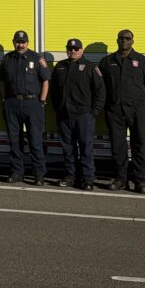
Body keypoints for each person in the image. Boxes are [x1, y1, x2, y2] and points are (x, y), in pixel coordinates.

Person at [100, 29, 145, 194]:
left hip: (137, 110)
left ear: (133, 41)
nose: (124, 41)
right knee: (118, 146)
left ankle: (141, 181)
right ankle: (120, 180)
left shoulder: (143, 61)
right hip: (115, 110)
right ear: (117, 40)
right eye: (121, 38)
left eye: (127, 38)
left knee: (139, 144)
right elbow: (100, 86)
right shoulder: (107, 62)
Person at [50, 38, 105, 190]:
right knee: (68, 148)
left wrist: (93, 112)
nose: (72, 51)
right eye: (70, 48)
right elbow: (54, 91)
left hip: (84, 115)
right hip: (64, 115)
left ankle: (88, 179)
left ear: (81, 50)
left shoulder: (90, 68)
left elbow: (100, 92)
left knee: (86, 147)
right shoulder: (60, 67)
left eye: (76, 49)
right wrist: (58, 108)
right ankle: (70, 176)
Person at [0, 29, 50, 185]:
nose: (20, 45)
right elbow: (1, 80)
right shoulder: (7, 59)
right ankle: (17, 172)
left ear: (28, 43)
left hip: (33, 104)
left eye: (23, 42)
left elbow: (45, 80)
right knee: (14, 140)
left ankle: (39, 174)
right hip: (12, 103)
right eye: (17, 42)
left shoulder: (37, 58)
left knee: (35, 140)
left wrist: (42, 101)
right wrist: (4, 98)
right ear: (13, 42)